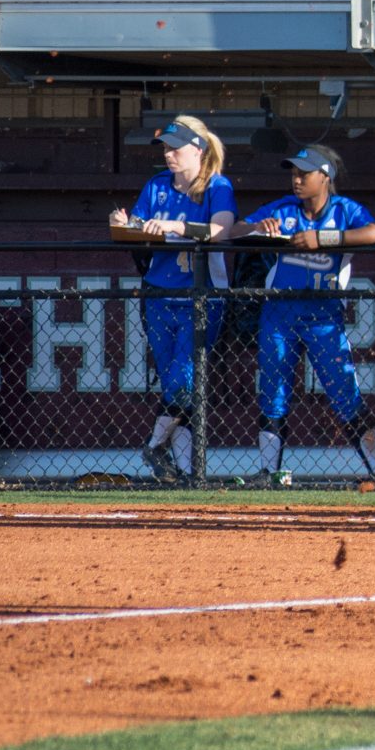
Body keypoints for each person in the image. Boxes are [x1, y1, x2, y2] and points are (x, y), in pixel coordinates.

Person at [239, 143, 375, 485]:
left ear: (325, 176)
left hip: (324, 315)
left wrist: (324, 238)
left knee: (344, 392)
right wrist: (259, 229)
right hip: (279, 313)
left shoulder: (343, 209)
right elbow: (233, 231)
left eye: (304, 173)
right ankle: (270, 472)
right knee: (273, 391)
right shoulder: (285, 208)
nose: (296, 179)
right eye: (293, 173)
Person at [108, 115, 235, 485]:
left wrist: (177, 227)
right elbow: (139, 227)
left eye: (175, 148)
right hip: (159, 293)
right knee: (173, 386)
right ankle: (184, 471)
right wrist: (124, 222)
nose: (168, 155)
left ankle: (154, 446)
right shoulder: (157, 185)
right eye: (165, 148)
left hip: (201, 295)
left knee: (184, 377)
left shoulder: (216, 186)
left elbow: (222, 231)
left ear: (198, 149)